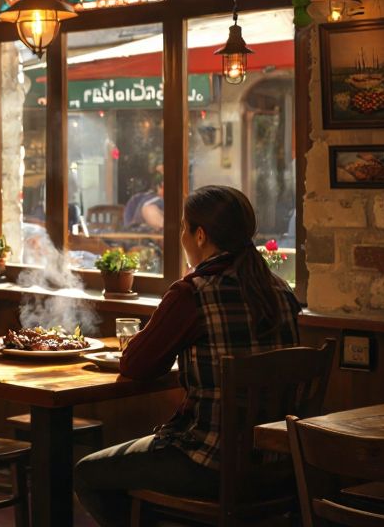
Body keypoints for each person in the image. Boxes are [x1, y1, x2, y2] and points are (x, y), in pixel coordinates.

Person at [73, 185, 301, 527]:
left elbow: (135, 365)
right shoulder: (281, 290)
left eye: (182, 228)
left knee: (87, 472)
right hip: (278, 463)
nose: (180, 236)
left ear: (200, 235)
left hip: (211, 463)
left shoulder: (194, 293)